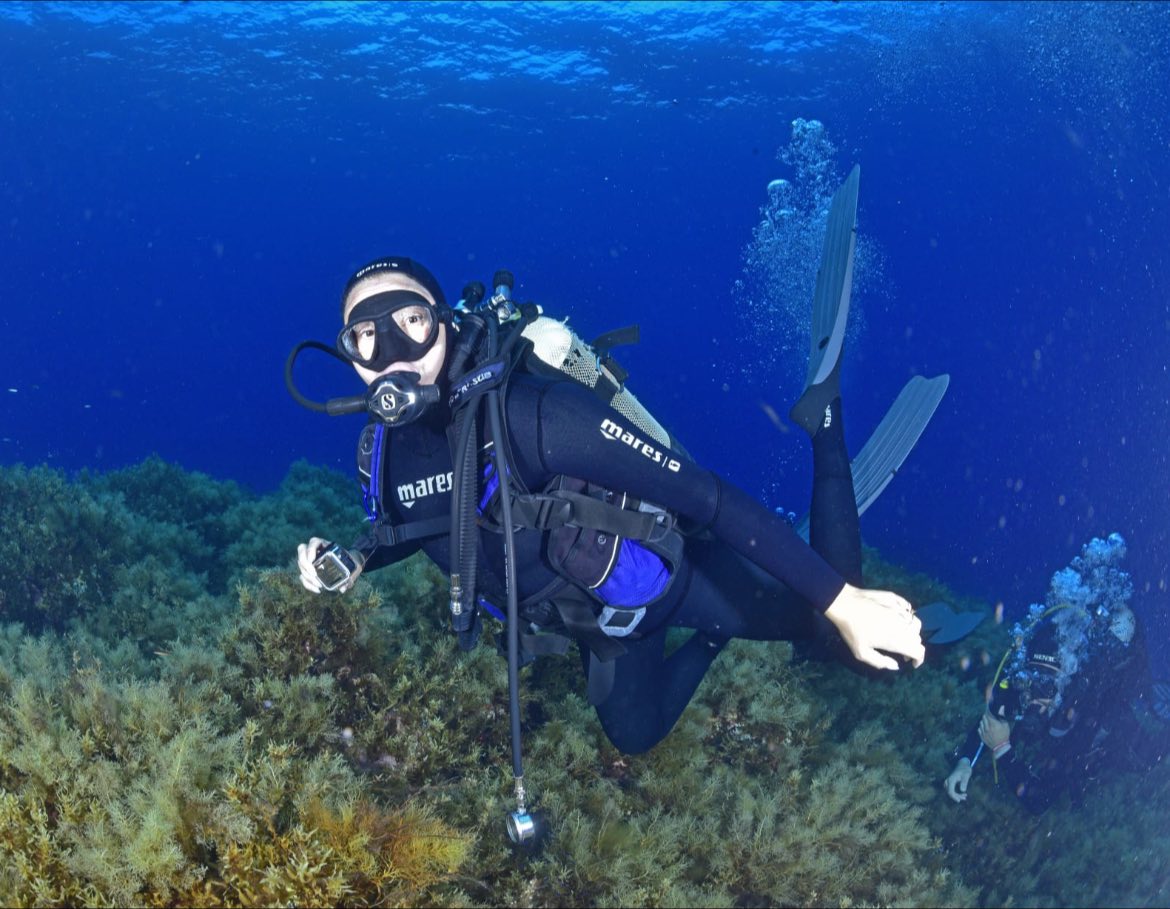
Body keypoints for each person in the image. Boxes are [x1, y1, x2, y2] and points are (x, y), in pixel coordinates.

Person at [289, 168, 937, 763]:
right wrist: (354, 560)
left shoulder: (532, 417)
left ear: (447, 325)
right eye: (365, 337)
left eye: (410, 322)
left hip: (671, 581)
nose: (393, 354)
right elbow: (421, 521)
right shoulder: (381, 454)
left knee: (842, 647)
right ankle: (719, 637)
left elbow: (706, 497)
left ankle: (825, 429)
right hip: (598, 617)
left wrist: (842, 601)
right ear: (347, 355)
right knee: (634, 733)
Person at [944, 563, 1167, 814]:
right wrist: (965, 763)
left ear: (1062, 687)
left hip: (1102, 726)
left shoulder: (1081, 709)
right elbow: (989, 722)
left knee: (1145, 759)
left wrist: (1002, 748)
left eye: (1045, 689)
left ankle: (1156, 703)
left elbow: (1039, 801)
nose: (1032, 698)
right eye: (1030, 683)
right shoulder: (1025, 686)